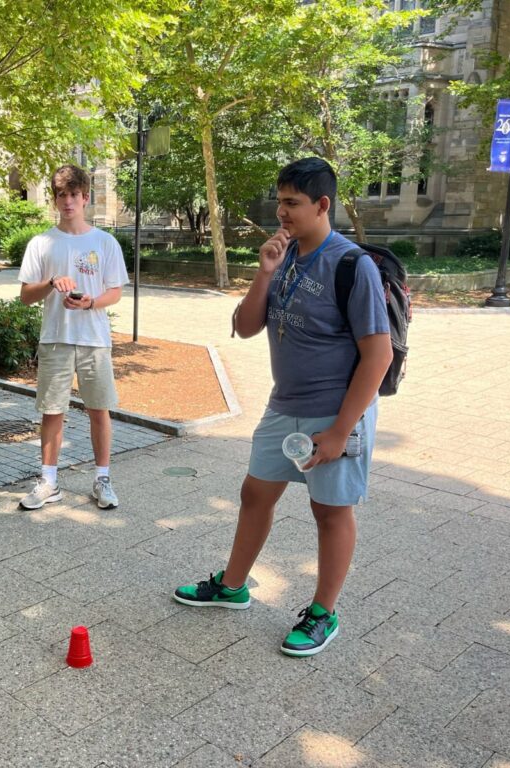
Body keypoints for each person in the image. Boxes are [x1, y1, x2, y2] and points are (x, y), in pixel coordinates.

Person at [173, 158, 392, 657]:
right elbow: (246, 325)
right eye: (280, 201)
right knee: (255, 493)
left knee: (329, 511)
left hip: (335, 412)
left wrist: (341, 430)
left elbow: (378, 356)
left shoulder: (351, 265)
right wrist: (264, 271)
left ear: (322, 205)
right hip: (283, 405)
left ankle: (323, 613)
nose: (282, 212)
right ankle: (232, 586)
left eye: (292, 202)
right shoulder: (284, 256)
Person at [17, 164, 129, 510]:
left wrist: (90, 302)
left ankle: (102, 479)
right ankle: (49, 481)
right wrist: (51, 283)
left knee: (100, 410)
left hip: (94, 338)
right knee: (52, 411)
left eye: (74, 195)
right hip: (55, 337)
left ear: (85, 198)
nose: (68, 202)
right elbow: (25, 296)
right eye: (62, 195)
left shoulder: (105, 242)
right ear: (55, 199)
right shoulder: (41, 243)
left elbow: (115, 292)